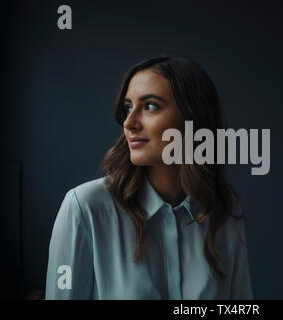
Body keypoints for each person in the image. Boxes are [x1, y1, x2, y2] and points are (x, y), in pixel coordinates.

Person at [45, 55, 253, 299]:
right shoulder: (86, 207)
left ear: (192, 118)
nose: (129, 122)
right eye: (128, 107)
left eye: (150, 106)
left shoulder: (223, 211)